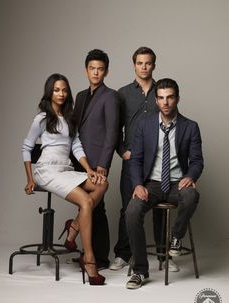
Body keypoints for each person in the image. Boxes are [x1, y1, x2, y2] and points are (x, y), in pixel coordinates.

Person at [22, 73, 108, 285]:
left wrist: (88, 169)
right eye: (56, 90)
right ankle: (89, 261)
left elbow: (76, 146)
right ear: (49, 92)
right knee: (86, 201)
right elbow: (26, 148)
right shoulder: (41, 118)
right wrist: (30, 178)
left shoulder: (70, 118)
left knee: (102, 183)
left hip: (66, 169)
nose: (61, 94)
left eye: (64, 90)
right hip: (46, 171)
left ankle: (73, 228)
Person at [125, 78, 204, 289]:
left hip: (178, 183)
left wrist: (191, 177)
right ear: (156, 100)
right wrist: (138, 185)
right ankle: (140, 271)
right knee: (132, 211)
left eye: (170, 97)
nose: (166, 102)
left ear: (177, 98)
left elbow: (197, 161)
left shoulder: (190, 127)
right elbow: (136, 160)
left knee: (191, 195)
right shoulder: (144, 125)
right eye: (161, 98)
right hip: (152, 184)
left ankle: (176, 238)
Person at [110, 47, 178, 272]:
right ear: (134, 65)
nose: (144, 67)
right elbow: (114, 127)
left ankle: (162, 255)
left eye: (148, 63)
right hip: (134, 160)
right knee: (128, 207)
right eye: (140, 63)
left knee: (160, 208)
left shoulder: (162, 91)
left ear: (154, 65)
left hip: (159, 161)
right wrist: (122, 150)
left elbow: (171, 122)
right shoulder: (123, 93)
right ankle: (123, 254)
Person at [71, 49, 120, 269]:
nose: (96, 72)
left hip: (97, 161)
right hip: (78, 159)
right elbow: (74, 129)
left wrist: (103, 165)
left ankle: (99, 258)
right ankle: (86, 251)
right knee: (87, 205)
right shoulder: (81, 96)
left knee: (97, 209)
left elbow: (112, 132)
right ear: (86, 70)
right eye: (92, 68)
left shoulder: (110, 96)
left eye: (100, 69)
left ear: (106, 71)